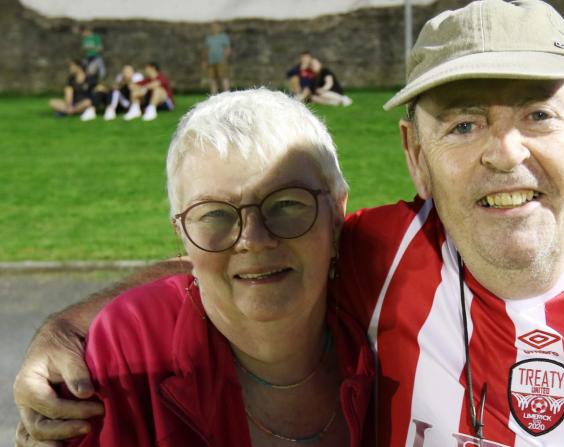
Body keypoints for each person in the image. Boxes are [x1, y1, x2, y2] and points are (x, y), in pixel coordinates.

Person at [15, 1, 564, 446]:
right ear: (415, 156)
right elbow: (248, 256)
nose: (504, 152)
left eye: (538, 114)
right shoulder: (390, 257)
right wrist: (65, 328)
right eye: (463, 125)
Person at [46, 88, 375, 446]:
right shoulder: (128, 348)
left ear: (337, 214)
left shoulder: (391, 314)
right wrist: (62, 330)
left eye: (285, 204)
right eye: (215, 213)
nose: (253, 239)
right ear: (182, 233)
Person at [79, 65, 145, 121]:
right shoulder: (120, 78)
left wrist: (127, 82)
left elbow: (137, 89)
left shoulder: (137, 77)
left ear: (132, 72)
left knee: (115, 92)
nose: (125, 74)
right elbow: (114, 88)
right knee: (101, 91)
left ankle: (111, 109)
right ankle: (91, 110)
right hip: (120, 101)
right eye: (124, 72)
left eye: (127, 72)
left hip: (132, 101)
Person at [203, 22, 232, 94]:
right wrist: (205, 61)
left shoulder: (223, 37)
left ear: (219, 28)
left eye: (216, 27)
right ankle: (214, 93)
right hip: (211, 61)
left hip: (221, 61)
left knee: (224, 77)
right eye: (212, 27)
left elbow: (227, 49)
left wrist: (224, 58)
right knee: (212, 78)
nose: (214, 28)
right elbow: (206, 50)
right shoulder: (209, 38)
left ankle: (226, 93)